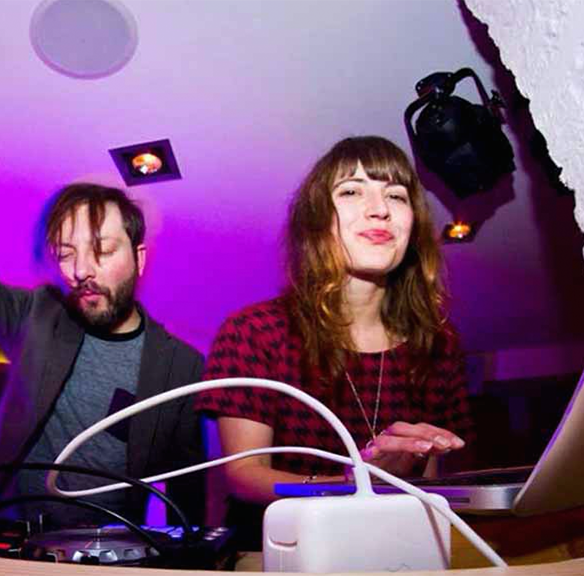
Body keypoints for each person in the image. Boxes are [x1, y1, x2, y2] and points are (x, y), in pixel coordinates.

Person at [0, 31, 205, 528]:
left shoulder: (181, 366)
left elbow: (189, 496)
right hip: (4, 537)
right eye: (66, 253)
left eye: (102, 250)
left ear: (139, 259)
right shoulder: (36, 317)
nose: (81, 269)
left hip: (109, 552)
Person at [195, 136, 473, 548]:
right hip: (281, 552)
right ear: (317, 220)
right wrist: (353, 483)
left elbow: (434, 483)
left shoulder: (438, 346)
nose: (379, 209)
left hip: (397, 549)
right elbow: (244, 476)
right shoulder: (254, 331)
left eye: (396, 196)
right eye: (351, 191)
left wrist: (410, 469)